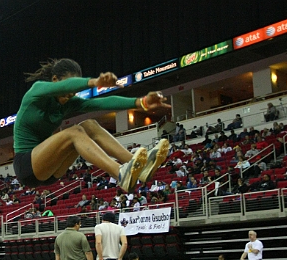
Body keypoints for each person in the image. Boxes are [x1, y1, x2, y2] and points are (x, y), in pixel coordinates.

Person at [12, 58, 170, 192]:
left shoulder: (68, 103)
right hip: (26, 167)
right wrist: (94, 82)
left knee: (90, 125)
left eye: (74, 92)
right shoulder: (37, 91)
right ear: (54, 80)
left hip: (51, 169)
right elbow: (67, 86)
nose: (71, 94)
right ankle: (120, 174)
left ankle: (139, 168)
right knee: (74, 132)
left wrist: (140, 102)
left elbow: (101, 103)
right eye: (70, 88)